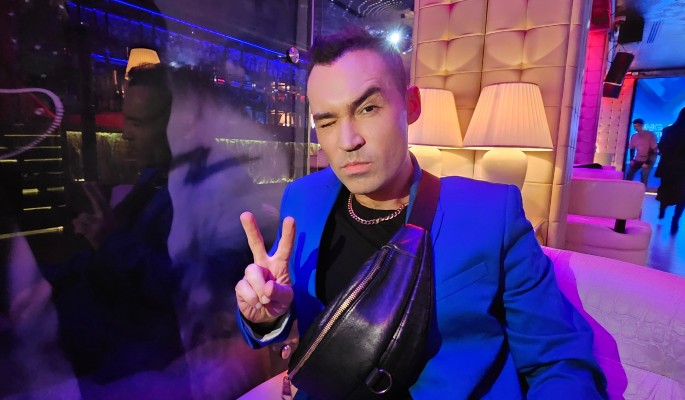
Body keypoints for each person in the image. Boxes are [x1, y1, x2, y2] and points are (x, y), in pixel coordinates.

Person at [235, 28, 607, 398]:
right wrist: (268, 317)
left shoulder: (491, 214)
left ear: (411, 105)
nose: (348, 141)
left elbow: (560, 361)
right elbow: (301, 316)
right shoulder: (303, 200)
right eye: (328, 121)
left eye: (368, 108)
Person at [39, 63, 190, 398]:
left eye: (137, 122)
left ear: (174, 125)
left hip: (144, 370)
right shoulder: (152, 179)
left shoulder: (194, 193)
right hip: (107, 356)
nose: (125, 134)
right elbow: (107, 255)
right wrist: (42, 283)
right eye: (126, 120)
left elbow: (182, 288)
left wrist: (110, 241)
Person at [655, 107, 685, 234]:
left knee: (665, 189)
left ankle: (662, 209)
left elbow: (661, 147)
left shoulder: (668, 130)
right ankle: (675, 220)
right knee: (683, 195)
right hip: (682, 169)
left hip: (668, 167)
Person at [625, 118, 658, 187]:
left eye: (638, 126)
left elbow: (653, 149)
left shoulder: (651, 134)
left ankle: (642, 190)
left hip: (650, 158)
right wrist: (631, 159)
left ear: (642, 125)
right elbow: (632, 148)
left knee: (644, 174)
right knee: (630, 173)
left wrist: (647, 162)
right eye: (634, 126)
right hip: (639, 157)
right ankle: (627, 188)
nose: (636, 128)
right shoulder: (634, 136)